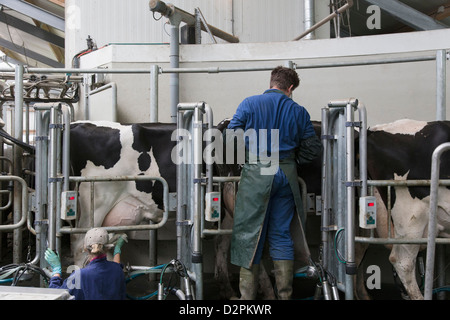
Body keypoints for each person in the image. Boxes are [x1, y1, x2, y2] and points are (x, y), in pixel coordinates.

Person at [227, 66, 321, 300]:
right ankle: (285, 296)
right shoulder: (299, 111)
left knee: (251, 234)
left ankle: (247, 300)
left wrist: (248, 159)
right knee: (281, 234)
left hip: (258, 173)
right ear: (290, 88)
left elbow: (231, 137)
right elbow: (312, 149)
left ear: (272, 82)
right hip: (286, 174)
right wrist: (291, 161)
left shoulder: (249, 103)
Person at [45, 227, 127, 300]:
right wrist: (117, 250)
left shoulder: (79, 276)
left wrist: (56, 271)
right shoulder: (117, 270)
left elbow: (56, 294)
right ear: (107, 248)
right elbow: (116, 266)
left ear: (85, 248)